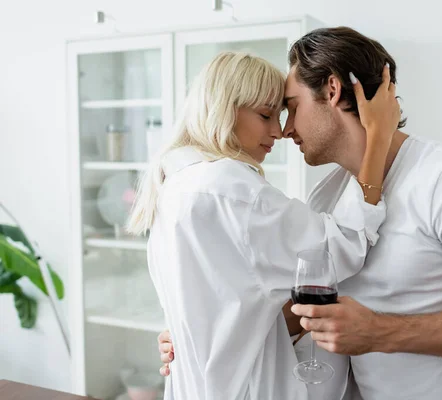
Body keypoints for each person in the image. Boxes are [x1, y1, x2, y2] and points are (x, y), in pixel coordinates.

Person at [158, 27, 442, 400]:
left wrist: (380, 332)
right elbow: (308, 314)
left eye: (291, 108)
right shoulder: (327, 197)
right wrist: (205, 334)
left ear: (331, 90)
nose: (285, 129)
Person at [126, 51, 400, 400]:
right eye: (266, 115)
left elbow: (230, 302)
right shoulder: (230, 188)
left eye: (283, 114)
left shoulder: (177, 184)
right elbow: (342, 245)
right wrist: (379, 137)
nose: (279, 131)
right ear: (225, 108)